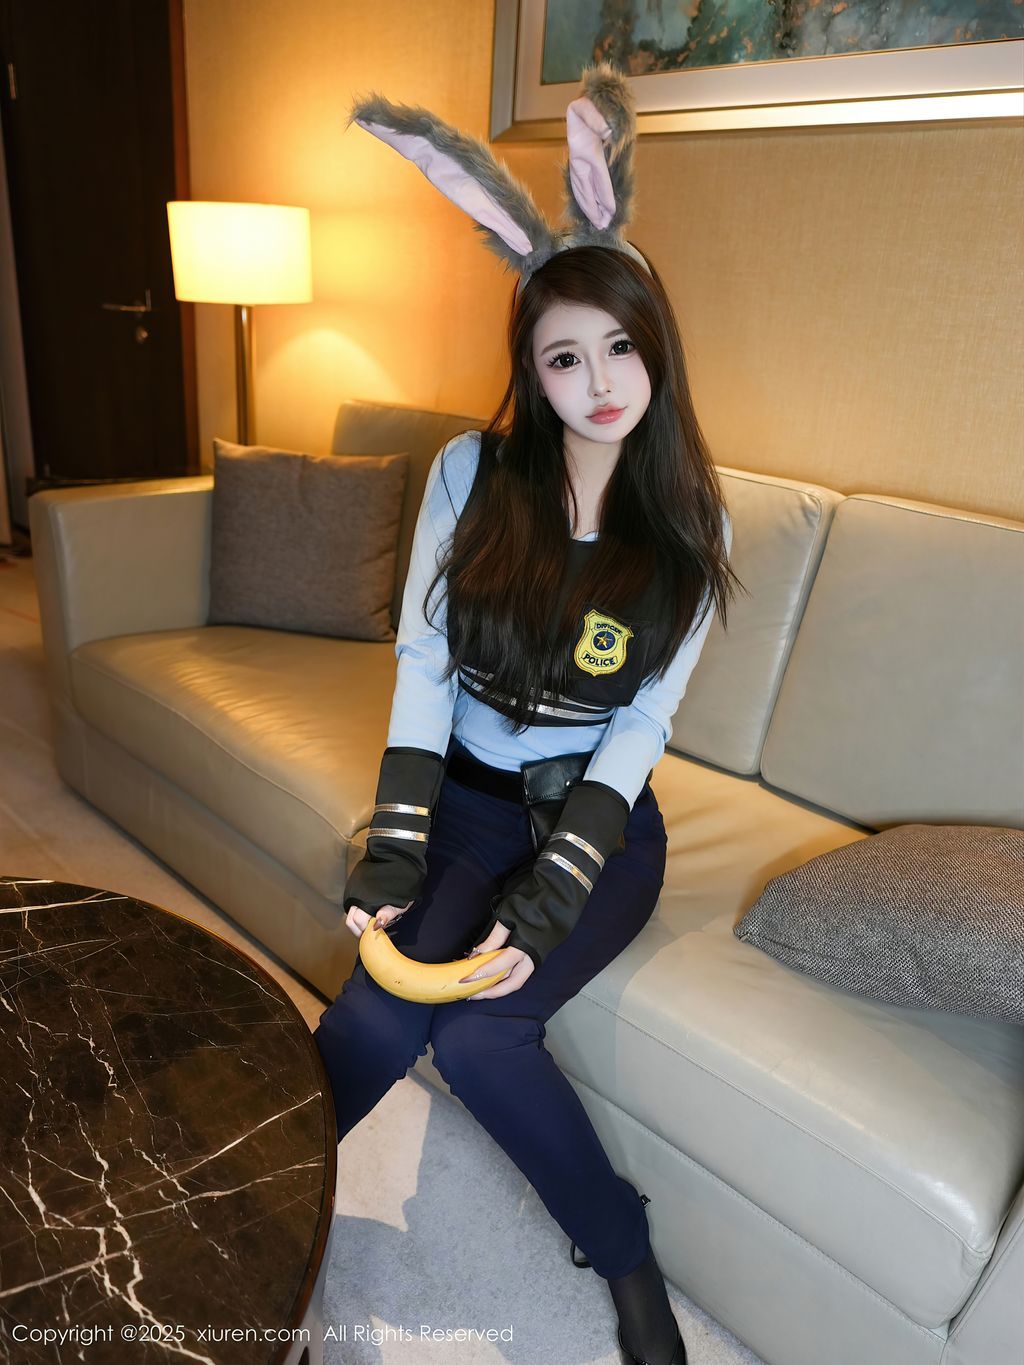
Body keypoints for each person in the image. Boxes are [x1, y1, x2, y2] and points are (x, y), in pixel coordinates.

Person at [314, 62, 740, 1365]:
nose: (600, 380)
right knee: (373, 1019)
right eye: (565, 356)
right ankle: (238, 1193)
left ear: (656, 346)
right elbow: (424, 666)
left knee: (487, 1040)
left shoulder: (692, 526)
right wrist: (397, 839)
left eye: (621, 346)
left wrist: (557, 884)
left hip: (591, 822)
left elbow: (639, 728)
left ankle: (624, 1257)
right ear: (533, 369)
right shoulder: (470, 474)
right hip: (463, 802)